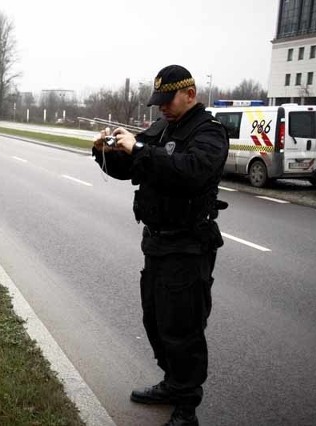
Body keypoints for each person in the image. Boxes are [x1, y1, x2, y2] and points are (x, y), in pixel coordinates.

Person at [92, 65, 228, 426]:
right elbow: (134, 169)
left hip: (188, 245)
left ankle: (187, 405)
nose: (161, 108)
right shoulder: (162, 128)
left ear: (190, 94)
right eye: (159, 102)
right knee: (154, 319)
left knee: (183, 327)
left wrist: (138, 148)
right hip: (157, 243)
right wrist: (105, 152)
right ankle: (172, 382)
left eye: (168, 101)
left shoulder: (209, 134)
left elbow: (189, 171)